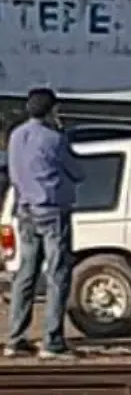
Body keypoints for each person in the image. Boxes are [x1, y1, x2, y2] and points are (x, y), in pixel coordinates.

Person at [5, 88, 83, 359]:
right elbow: (77, 171)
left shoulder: (16, 135)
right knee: (58, 274)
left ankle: (15, 338)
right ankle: (52, 340)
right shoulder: (54, 139)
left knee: (25, 274)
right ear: (52, 110)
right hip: (51, 209)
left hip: (25, 209)